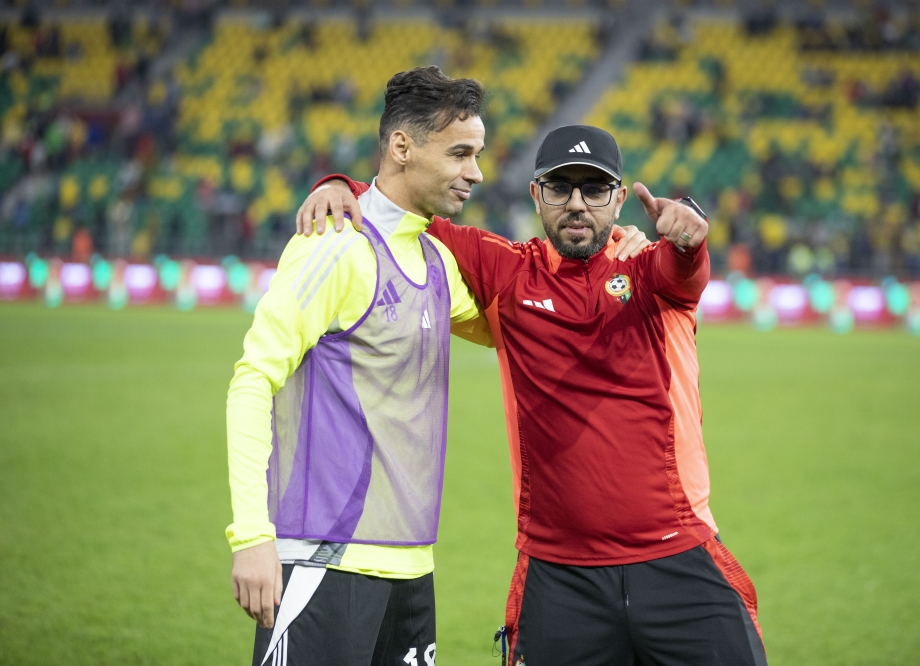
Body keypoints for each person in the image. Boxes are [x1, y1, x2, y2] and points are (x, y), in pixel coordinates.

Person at [300, 124, 768, 665]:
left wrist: (689, 238)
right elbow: (405, 210)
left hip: (680, 564)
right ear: (535, 195)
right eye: (559, 188)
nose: (576, 204)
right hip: (558, 578)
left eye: (593, 190)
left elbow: (684, 269)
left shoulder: (649, 272)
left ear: (618, 198)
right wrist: (341, 185)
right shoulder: (507, 271)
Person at [228, 68, 650, 666]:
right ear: (402, 147)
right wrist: (252, 537)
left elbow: (547, 323)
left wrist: (612, 249)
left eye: (476, 154)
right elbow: (251, 381)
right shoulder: (334, 245)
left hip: (412, 568)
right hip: (325, 561)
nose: (476, 172)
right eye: (460, 153)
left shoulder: (436, 259)